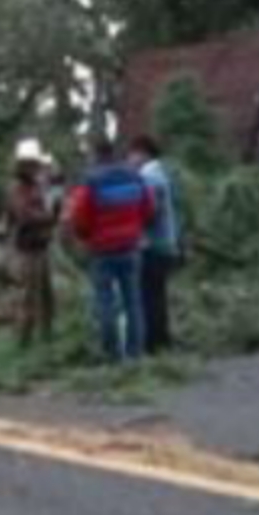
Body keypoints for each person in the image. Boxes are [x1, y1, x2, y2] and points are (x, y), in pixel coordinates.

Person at [68, 135, 157, 362]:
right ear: (113, 154)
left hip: (102, 250)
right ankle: (135, 353)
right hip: (130, 247)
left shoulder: (92, 182)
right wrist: (137, 228)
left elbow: (79, 217)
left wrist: (85, 237)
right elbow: (149, 208)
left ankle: (112, 354)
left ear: (97, 156)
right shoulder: (134, 177)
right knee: (133, 301)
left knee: (105, 302)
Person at [128, 134, 183, 354]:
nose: (129, 159)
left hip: (153, 244)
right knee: (157, 295)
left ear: (142, 152)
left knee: (149, 296)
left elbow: (151, 210)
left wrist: (132, 222)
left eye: (131, 154)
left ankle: (153, 342)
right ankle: (161, 340)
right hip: (165, 243)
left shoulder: (149, 176)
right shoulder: (160, 173)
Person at [4, 139, 59, 342]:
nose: (36, 168)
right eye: (32, 164)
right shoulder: (17, 187)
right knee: (27, 298)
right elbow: (23, 215)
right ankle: (23, 342)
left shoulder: (36, 185)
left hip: (41, 245)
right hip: (26, 249)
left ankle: (47, 339)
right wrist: (48, 217)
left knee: (47, 297)